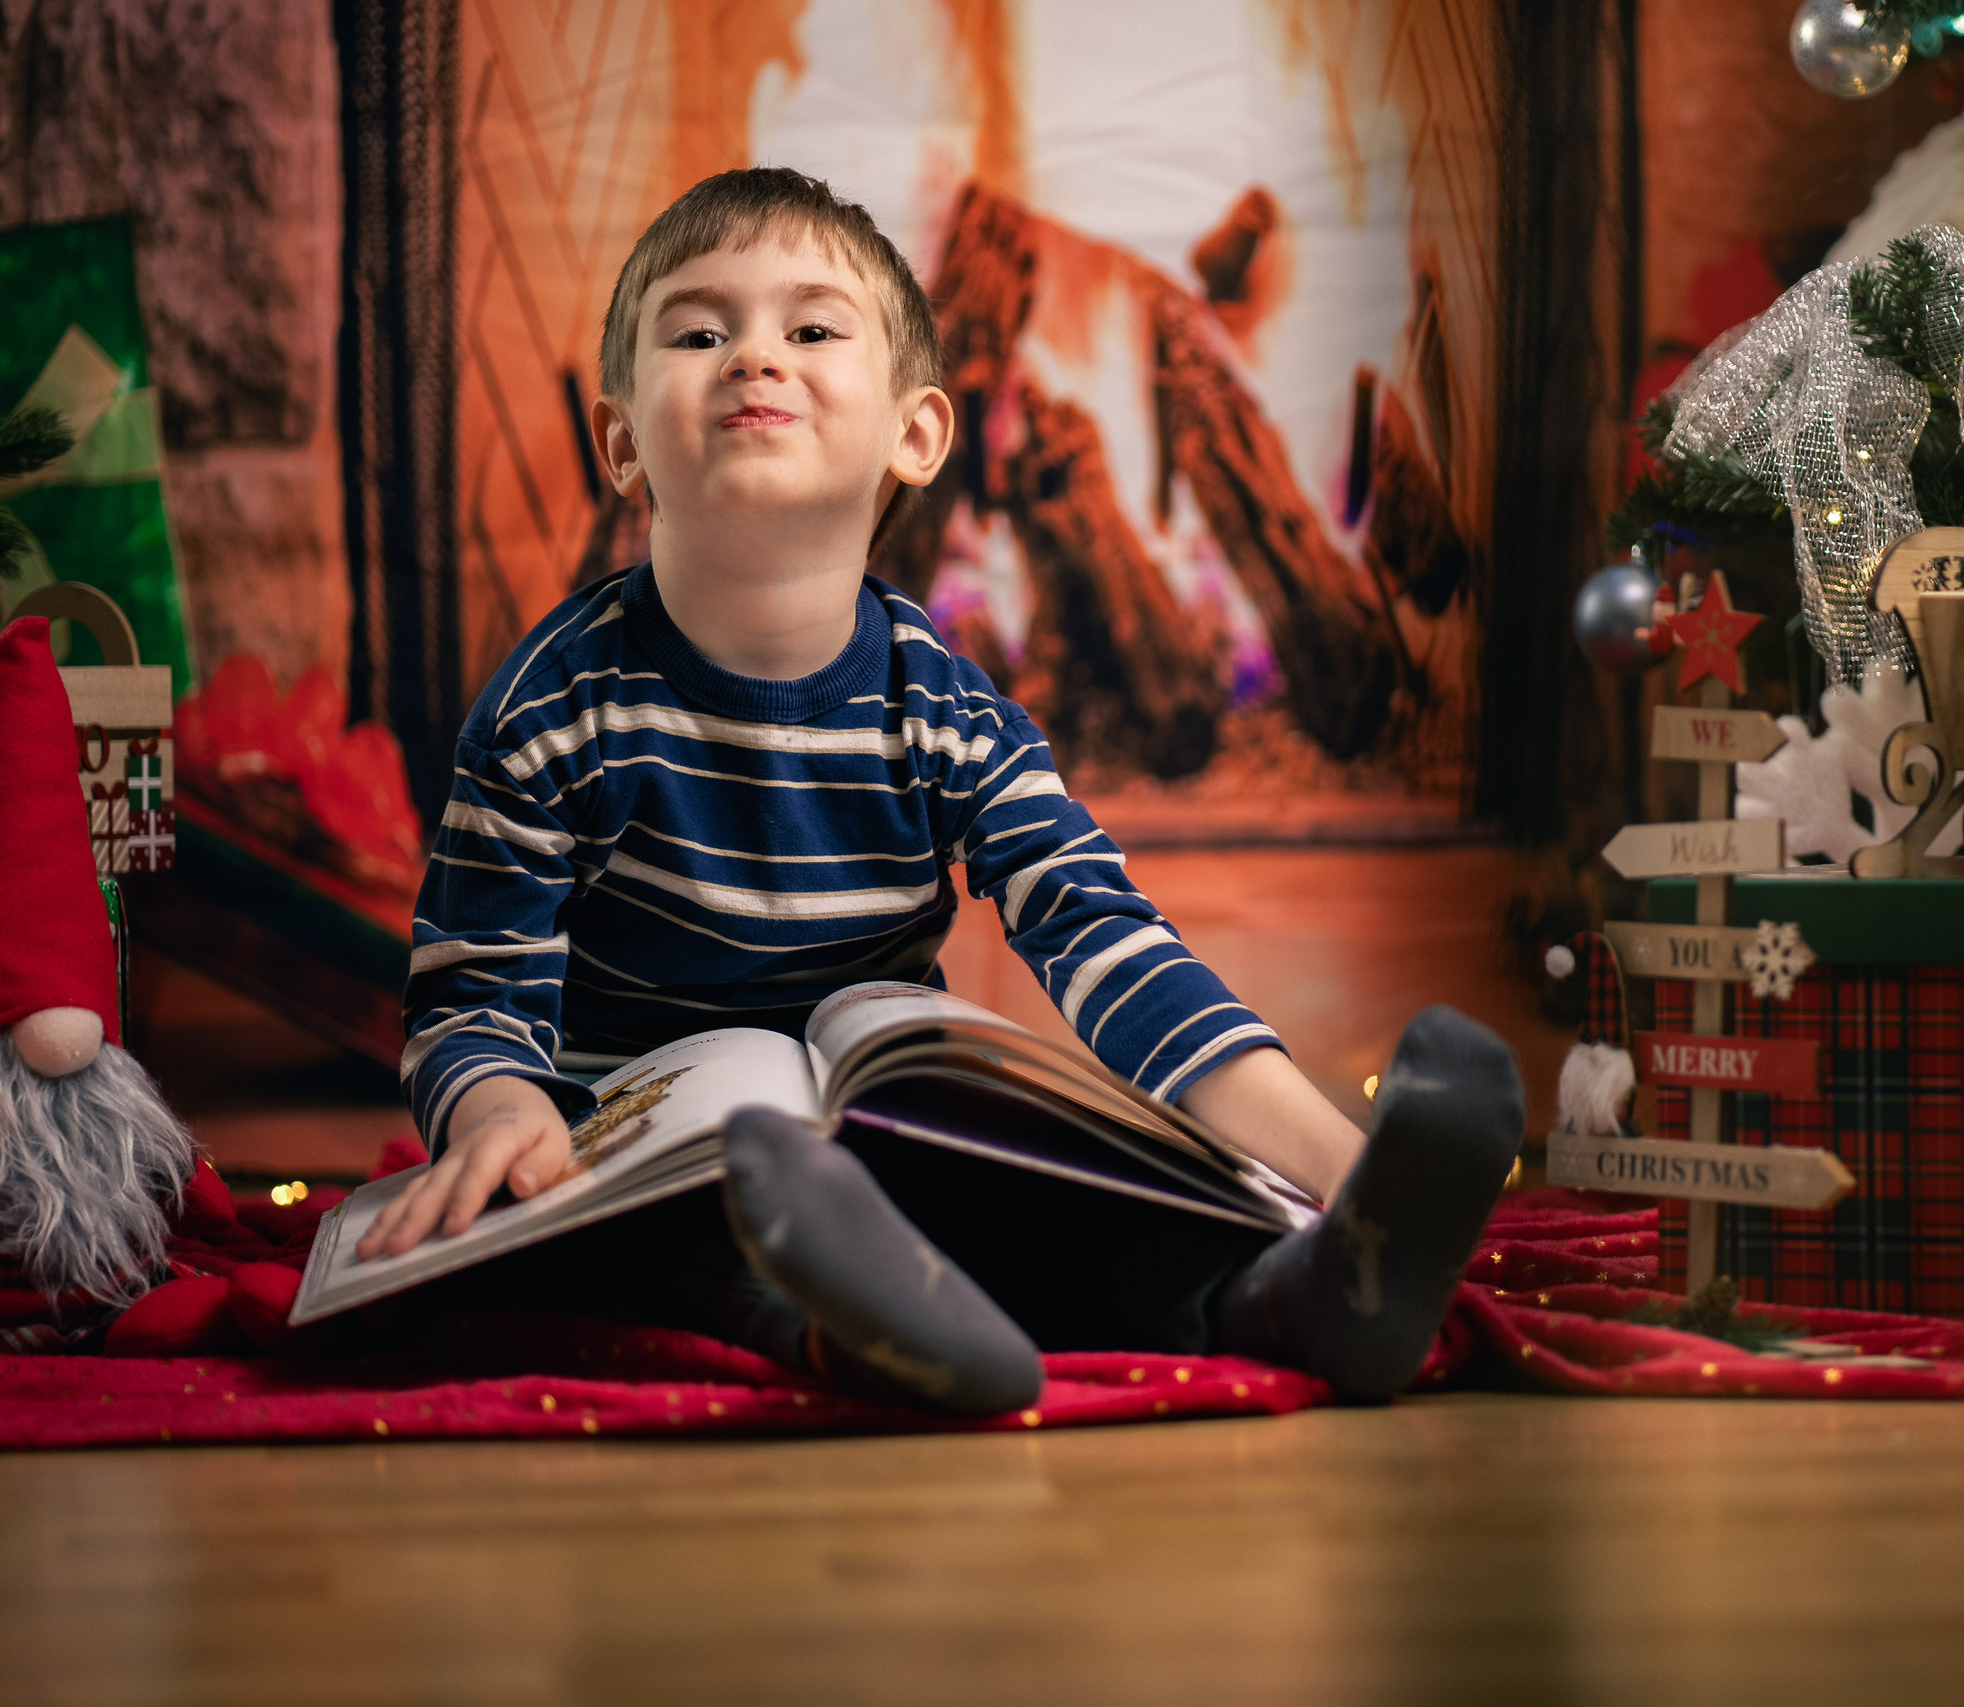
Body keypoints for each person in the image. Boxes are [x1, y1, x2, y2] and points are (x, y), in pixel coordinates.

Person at [358, 168, 1524, 1414]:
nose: (756, 355)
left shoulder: (949, 714)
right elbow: (473, 986)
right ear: (622, 441)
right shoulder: (552, 704)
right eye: (701, 332)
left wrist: (1339, 1165)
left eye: (811, 329)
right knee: (684, 1234)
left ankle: (1302, 1291)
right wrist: (497, 1114)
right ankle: (846, 1327)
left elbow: (1112, 948)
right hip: (638, 1156)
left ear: (916, 435)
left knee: (1042, 1188)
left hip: (878, 1143)